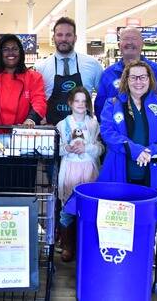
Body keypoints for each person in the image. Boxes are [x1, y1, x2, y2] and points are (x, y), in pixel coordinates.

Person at [0, 34, 47, 191]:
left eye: (14, 49)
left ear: (21, 52)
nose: (10, 53)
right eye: (6, 49)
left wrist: (31, 119)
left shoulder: (33, 77)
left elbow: (39, 101)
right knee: (0, 184)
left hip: (25, 138)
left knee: (25, 183)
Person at [98, 60, 157, 191]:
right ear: (126, 80)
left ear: (150, 79)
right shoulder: (112, 104)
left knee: (149, 210)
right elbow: (107, 132)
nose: (138, 82)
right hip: (119, 171)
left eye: (143, 77)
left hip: (153, 172)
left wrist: (151, 151)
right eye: (133, 77)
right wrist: (135, 150)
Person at [56, 86, 103, 262]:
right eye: (77, 101)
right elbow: (57, 149)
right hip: (70, 170)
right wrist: (67, 148)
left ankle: (87, 245)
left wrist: (87, 148)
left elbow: (100, 148)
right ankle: (67, 245)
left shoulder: (93, 124)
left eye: (84, 101)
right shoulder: (62, 125)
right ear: (70, 103)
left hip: (89, 170)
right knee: (67, 209)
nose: (80, 104)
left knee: (90, 208)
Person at [94, 27, 157, 121]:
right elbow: (100, 107)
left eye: (134, 39)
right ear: (119, 45)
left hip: (152, 132)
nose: (129, 42)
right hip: (116, 133)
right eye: (125, 39)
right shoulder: (108, 74)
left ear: (142, 44)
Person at [35, 16, 103, 125]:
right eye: (59, 35)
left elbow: (104, 97)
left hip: (84, 132)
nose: (63, 39)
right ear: (53, 38)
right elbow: (36, 100)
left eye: (68, 35)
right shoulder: (41, 67)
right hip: (52, 131)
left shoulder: (93, 65)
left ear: (75, 38)